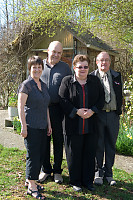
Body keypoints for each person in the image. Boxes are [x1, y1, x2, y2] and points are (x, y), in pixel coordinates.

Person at [58, 54, 105, 192]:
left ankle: (87, 181)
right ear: (74, 67)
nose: (83, 69)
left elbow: (102, 98)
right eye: (80, 67)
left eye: (85, 66)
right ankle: (75, 181)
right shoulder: (67, 81)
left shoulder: (95, 81)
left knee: (89, 154)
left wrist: (93, 111)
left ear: (89, 67)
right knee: (74, 154)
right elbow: (62, 99)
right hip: (73, 125)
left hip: (91, 124)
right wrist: (76, 111)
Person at [18, 56, 52, 199]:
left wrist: (49, 124)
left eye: (39, 67)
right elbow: (20, 107)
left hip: (43, 127)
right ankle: (32, 187)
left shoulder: (43, 85)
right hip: (31, 126)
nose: (37, 69)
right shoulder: (26, 85)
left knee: (40, 155)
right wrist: (23, 126)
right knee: (33, 156)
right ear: (30, 69)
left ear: (42, 69)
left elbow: (46, 107)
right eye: (34, 67)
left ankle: (29, 180)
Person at [39, 41, 72, 183]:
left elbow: (70, 89)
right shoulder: (38, 66)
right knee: (44, 141)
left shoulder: (65, 68)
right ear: (48, 51)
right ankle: (46, 170)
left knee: (58, 140)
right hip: (41, 110)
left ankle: (57, 171)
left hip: (59, 110)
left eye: (59, 53)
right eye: (54, 52)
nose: (56, 55)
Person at [91, 51, 123, 186]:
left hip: (113, 116)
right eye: (101, 60)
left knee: (110, 144)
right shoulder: (92, 77)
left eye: (106, 60)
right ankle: (98, 173)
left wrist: (119, 111)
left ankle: (109, 173)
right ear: (97, 62)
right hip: (98, 115)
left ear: (110, 62)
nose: (104, 63)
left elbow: (120, 94)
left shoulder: (116, 76)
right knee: (98, 144)